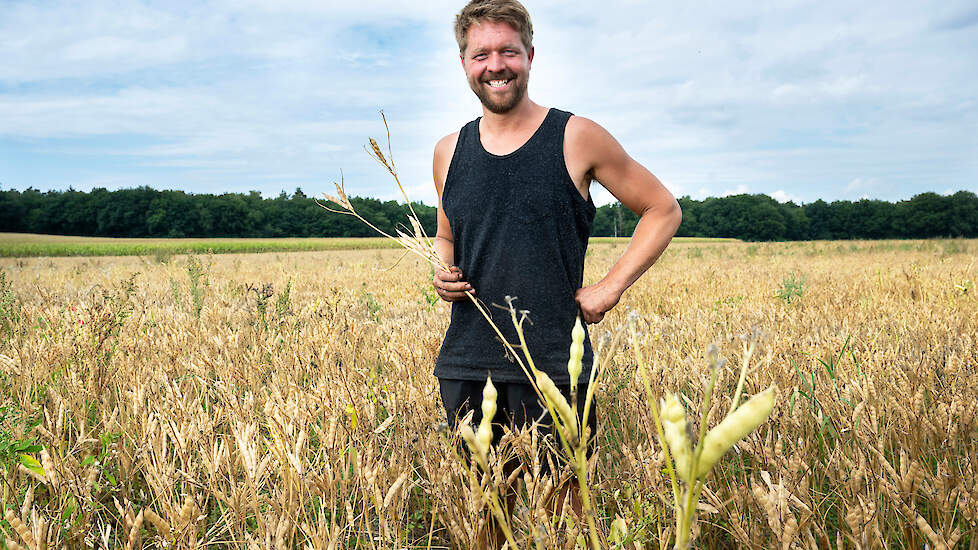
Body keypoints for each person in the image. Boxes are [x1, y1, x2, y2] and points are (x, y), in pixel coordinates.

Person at [431, 0, 681, 477]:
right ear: (463, 63)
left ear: (530, 55)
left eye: (508, 51)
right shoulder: (448, 150)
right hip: (465, 362)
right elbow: (446, 236)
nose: (495, 65)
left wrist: (610, 287)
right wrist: (441, 268)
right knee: (483, 513)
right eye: (481, 54)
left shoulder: (575, 136)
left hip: (552, 364)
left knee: (564, 513)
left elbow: (662, 209)